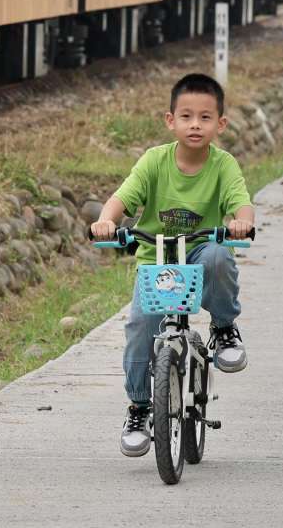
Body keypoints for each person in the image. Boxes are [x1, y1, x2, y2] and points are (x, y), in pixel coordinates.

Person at [91, 72, 257, 457]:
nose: (194, 125)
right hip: (156, 256)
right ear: (170, 121)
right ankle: (138, 408)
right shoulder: (154, 161)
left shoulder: (223, 165)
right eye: (185, 116)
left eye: (204, 117)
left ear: (220, 124)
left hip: (200, 251)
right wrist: (107, 221)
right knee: (139, 327)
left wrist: (241, 220)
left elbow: (240, 200)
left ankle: (224, 326)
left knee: (219, 256)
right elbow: (122, 198)